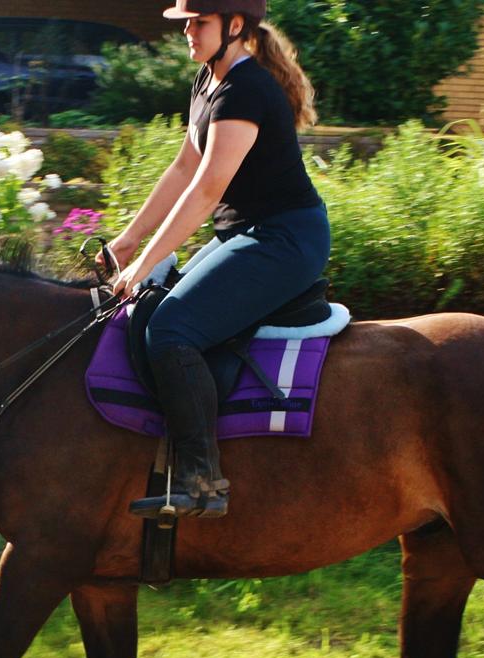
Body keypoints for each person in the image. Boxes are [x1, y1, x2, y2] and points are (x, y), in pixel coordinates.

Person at [105, 0, 330, 520]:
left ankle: (204, 483)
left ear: (234, 26)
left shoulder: (246, 90)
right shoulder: (209, 82)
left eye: (197, 22)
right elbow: (184, 167)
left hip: (285, 240)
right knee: (157, 311)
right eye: (185, 22)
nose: (187, 31)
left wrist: (143, 266)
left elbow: (207, 190)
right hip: (246, 233)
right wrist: (128, 240)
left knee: (171, 331)